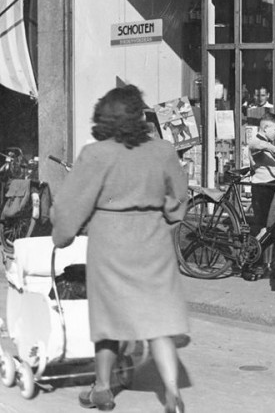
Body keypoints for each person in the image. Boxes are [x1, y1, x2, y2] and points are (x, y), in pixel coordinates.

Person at [51, 85, 188, 413]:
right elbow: (179, 198)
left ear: (105, 118)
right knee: (159, 320)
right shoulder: (163, 150)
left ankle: (101, 389)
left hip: (110, 242)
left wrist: (62, 236)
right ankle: (172, 393)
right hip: (153, 241)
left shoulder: (96, 154)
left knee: (107, 318)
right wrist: (165, 218)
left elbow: (70, 206)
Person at [242, 112, 275, 281]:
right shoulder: (257, 141)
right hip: (262, 189)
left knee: (270, 228)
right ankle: (250, 263)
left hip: (272, 187)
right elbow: (254, 144)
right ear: (265, 128)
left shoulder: (266, 141)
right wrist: (273, 148)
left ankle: (264, 263)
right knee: (263, 228)